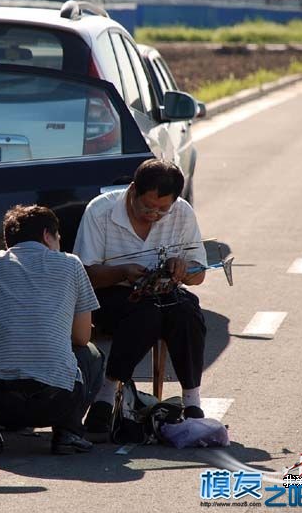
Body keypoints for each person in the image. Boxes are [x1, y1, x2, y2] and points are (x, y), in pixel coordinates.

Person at [0, 204, 104, 454]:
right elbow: (81, 337)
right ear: (46, 235)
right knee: (92, 355)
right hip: (56, 401)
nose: (60, 242)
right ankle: (68, 432)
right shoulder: (71, 265)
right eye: (58, 237)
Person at [72, 159, 208, 439]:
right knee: (145, 314)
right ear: (132, 190)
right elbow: (84, 274)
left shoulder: (182, 213)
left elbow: (199, 274)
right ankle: (106, 396)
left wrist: (182, 267)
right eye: (147, 206)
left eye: (162, 209)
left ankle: (192, 401)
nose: (154, 214)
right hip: (109, 294)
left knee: (187, 312)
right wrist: (121, 271)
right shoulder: (101, 211)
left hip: (162, 292)